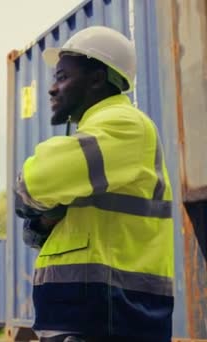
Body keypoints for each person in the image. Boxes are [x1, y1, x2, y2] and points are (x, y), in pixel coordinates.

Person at [15, 26, 174, 342]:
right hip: (87, 315)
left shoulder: (125, 125)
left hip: (112, 316)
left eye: (62, 76)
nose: (52, 88)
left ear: (97, 78)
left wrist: (38, 206)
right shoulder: (93, 139)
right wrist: (40, 216)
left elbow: (34, 181)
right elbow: (36, 230)